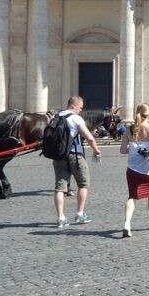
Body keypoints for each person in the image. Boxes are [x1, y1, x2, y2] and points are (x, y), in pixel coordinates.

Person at [52, 96, 102, 228]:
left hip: (58, 156)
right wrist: (96, 150)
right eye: (80, 107)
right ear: (73, 106)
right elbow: (89, 137)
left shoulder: (55, 117)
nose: (81, 110)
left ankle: (61, 218)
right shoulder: (76, 118)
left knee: (60, 187)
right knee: (83, 184)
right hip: (75, 155)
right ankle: (80, 214)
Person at [119, 103, 149, 237]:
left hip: (133, 168)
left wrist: (134, 148)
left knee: (132, 197)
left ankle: (127, 223)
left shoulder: (128, 130)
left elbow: (122, 150)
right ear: (148, 114)